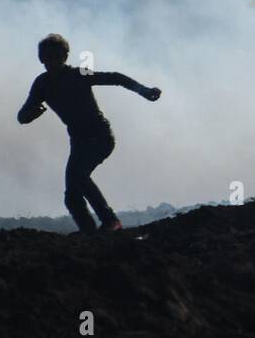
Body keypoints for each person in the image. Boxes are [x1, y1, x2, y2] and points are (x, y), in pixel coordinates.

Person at [17, 33, 161, 233]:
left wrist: (143, 90)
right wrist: (32, 113)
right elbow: (22, 116)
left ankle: (111, 222)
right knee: (72, 196)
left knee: (79, 176)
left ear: (65, 57)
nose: (52, 61)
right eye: (48, 57)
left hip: (100, 136)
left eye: (57, 56)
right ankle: (90, 234)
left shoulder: (79, 74)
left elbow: (116, 78)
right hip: (78, 141)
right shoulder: (42, 84)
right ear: (41, 59)